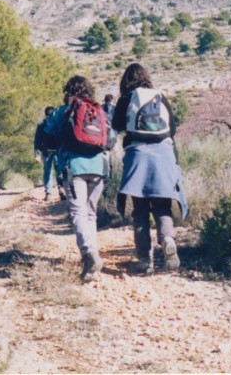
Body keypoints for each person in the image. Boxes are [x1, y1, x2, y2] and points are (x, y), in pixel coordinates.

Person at [112, 63, 188, 275]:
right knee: (162, 206)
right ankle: (167, 239)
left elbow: (117, 126)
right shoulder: (160, 96)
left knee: (141, 209)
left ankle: (145, 260)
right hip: (163, 153)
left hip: (138, 155)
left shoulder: (127, 99)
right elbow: (172, 129)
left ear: (125, 80)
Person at [42, 75, 113, 282]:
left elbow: (48, 135)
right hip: (99, 167)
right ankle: (93, 256)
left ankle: (89, 254)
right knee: (90, 213)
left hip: (74, 167)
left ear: (68, 91)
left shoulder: (63, 111)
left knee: (77, 212)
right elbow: (111, 138)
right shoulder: (97, 109)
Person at [34, 105, 64, 200]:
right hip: (58, 150)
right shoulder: (58, 123)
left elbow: (37, 140)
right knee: (59, 170)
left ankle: (48, 193)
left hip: (46, 150)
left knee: (47, 171)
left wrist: (37, 153)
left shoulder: (41, 124)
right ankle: (61, 189)